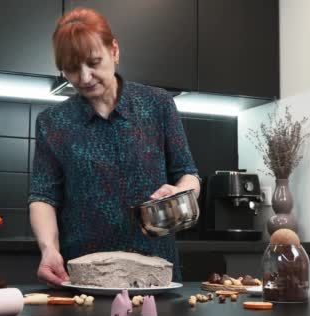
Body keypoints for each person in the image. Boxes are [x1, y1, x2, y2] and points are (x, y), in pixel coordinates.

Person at [28, 7, 200, 287]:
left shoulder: (157, 104)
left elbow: (188, 173)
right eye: (71, 69)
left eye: (93, 62)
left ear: (114, 51)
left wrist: (181, 192)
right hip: (85, 273)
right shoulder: (52, 123)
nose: (84, 78)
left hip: (154, 272)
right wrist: (49, 249)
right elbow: (43, 197)